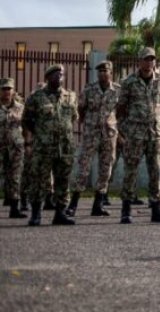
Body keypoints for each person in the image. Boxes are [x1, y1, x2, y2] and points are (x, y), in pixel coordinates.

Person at [116, 48, 160, 224]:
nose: (149, 63)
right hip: (135, 134)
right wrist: (125, 130)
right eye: (146, 59)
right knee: (130, 171)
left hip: (155, 134)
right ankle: (126, 209)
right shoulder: (129, 82)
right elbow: (121, 108)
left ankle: (156, 209)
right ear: (139, 61)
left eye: (152, 60)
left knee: (156, 170)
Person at [23, 64, 79, 226]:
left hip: (65, 147)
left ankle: (60, 213)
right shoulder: (36, 97)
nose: (59, 77)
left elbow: (73, 117)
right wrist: (41, 134)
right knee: (39, 180)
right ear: (47, 78)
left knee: (63, 180)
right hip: (44, 147)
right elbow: (27, 120)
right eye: (55, 75)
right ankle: (36, 214)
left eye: (61, 75)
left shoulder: (70, 96)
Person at [69, 60, 119, 217]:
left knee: (106, 169)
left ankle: (98, 205)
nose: (102, 73)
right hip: (91, 133)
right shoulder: (89, 89)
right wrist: (88, 124)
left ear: (111, 72)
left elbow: (122, 109)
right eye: (100, 71)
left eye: (105, 71)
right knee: (83, 167)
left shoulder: (117, 90)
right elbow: (81, 109)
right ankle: (73, 205)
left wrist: (114, 124)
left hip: (109, 134)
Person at [0, 78, 26, 219]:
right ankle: (8, 197)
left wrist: (27, 144)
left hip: (16, 146)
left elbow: (26, 126)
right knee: (6, 176)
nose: (7, 92)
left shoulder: (20, 107)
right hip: (1, 147)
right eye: (4, 89)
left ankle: (14, 208)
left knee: (16, 176)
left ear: (13, 90)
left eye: (9, 89)